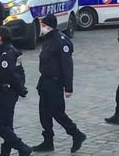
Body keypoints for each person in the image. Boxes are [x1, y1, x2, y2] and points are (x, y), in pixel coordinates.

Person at [33, 14, 86, 154]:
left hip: (55, 82)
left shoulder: (61, 41)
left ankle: (76, 134)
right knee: (44, 113)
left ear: (49, 26)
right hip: (45, 81)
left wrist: (68, 88)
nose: (42, 28)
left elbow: (67, 66)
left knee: (57, 112)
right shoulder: (48, 39)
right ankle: (48, 141)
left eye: (43, 25)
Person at [0, 26, 31, 156]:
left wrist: (20, 89)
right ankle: (6, 152)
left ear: (0, 37)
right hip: (10, 91)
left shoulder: (6, 54)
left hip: (6, 91)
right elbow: (21, 72)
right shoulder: (11, 51)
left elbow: (11, 74)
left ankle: (22, 147)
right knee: (7, 124)